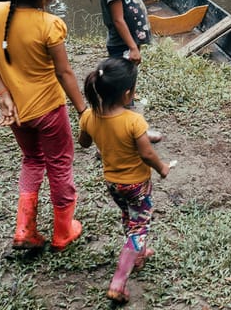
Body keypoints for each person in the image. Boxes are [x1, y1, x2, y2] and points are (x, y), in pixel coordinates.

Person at [0, 0, 87, 252]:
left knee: (33, 160)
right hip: (49, 110)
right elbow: (64, 72)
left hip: (17, 113)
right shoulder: (49, 25)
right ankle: (63, 231)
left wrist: (3, 94)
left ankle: (24, 229)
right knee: (60, 165)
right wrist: (83, 110)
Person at [79, 58, 171, 304]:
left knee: (129, 218)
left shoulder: (89, 116)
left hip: (113, 184)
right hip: (136, 185)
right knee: (140, 226)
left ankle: (137, 254)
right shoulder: (134, 121)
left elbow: (84, 143)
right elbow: (146, 153)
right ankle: (118, 282)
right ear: (127, 93)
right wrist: (161, 167)